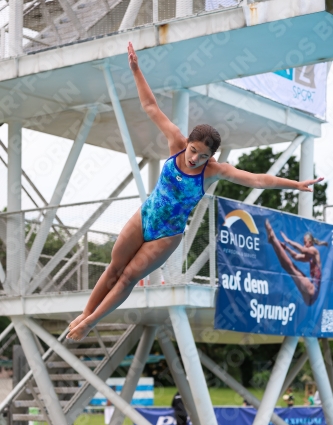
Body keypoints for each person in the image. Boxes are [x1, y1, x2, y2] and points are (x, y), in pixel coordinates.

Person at [66, 42, 323, 342]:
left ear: (212, 156)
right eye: (193, 151)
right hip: (146, 214)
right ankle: (84, 314)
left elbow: (256, 180)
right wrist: (136, 70)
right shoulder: (175, 142)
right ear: (187, 142)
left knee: (128, 278)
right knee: (113, 268)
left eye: (203, 156)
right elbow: (150, 107)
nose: (194, 159)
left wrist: (296, 184)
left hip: (167, 234)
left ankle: (91, 322)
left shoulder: (212, 171)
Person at [265, 223, 328, 306]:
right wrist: (286, 248)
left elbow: (302, 250)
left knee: (290, 267)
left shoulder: (314, 251)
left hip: (313, 290)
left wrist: (288, 241)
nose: (304, 245)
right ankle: (273, 242)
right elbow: (295, 256)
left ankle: (273, 239)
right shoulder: (310, 258)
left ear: (310, 242)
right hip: (309, 298)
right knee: (287, 267)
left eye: (305, 243)